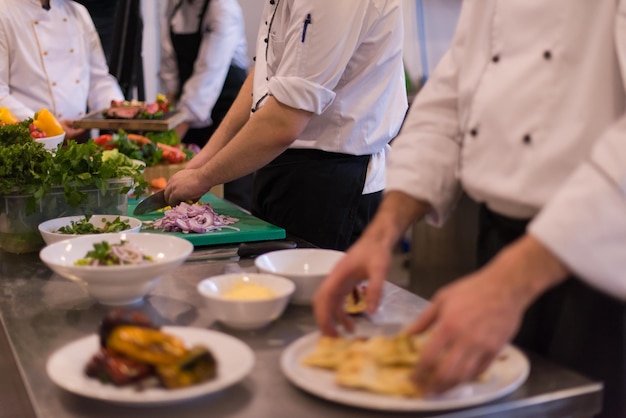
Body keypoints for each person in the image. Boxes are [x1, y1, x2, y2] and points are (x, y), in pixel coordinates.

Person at [313, 2, 626, 417]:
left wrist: (508, 284)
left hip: (600, 262)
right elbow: (451, 96)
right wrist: (382, 232)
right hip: (500, 242)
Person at [164, 0, 407, 251]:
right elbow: (266, 78)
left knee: (311, 291)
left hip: (329, 187)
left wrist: (204, 177)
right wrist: (204, 159)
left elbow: (284, 121)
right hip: (282, 168)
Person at [159, 0, 252, 209]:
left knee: (232, 198)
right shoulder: (174, 6)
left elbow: (207, 77)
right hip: (188, 116)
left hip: (228, 114)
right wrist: (168, 115)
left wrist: (170, 141)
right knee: (187, 197)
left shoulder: (223, 8)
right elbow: (169, 64)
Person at [0, 0, 124, 140]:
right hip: (32, 143)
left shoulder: (78, 12)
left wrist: (118, 106)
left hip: (79, 143)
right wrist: (47, 126)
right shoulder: (4, 12)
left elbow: (98, 80)